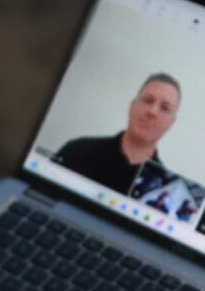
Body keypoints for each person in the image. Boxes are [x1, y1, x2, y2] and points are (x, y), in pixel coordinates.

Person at [49, 73, 183, 199]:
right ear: (132, 106)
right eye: (148, 100)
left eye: (164, 108)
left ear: (171, 123)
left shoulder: (163, 188)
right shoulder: (77, 151)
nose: (152, 112)